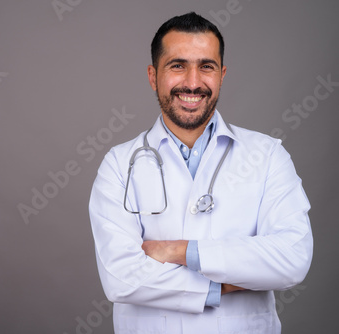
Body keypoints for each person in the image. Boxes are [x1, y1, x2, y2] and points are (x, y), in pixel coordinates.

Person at [88, 12, 312, 334]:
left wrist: (179, 251)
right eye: (177, 65)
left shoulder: (268, 155)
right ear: (153, 76)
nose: (192, 83)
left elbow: (292, 258)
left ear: (221, 74)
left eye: (206, 66)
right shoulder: (119, 164)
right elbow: (121, 279)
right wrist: (224, 285)